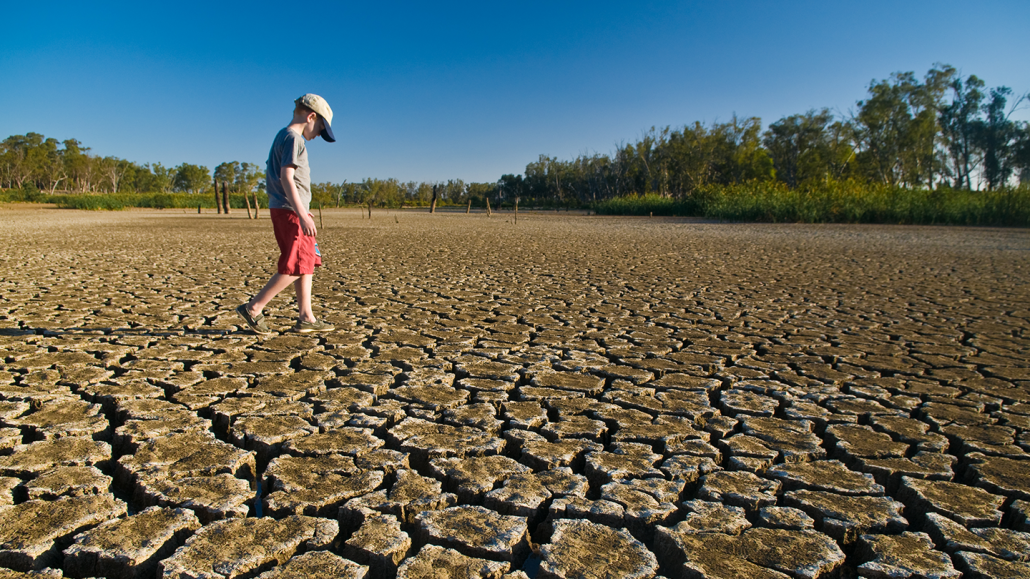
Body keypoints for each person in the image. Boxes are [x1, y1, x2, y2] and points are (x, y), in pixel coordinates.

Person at [236, 94, 336, 334]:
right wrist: (301, 213)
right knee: (295, 265)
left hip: (292, 209)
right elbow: (286, 177)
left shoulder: (283, 136)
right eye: (320, 128)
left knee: (308, 261)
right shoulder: (293, 139)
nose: (318, 136)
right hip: (290, 211)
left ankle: (306, 317)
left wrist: (303, 209)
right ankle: (253, 308)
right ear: (311, 116)